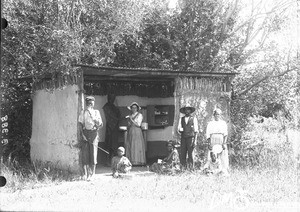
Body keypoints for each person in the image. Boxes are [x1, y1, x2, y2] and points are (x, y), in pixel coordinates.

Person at [78, 96, 103, 181]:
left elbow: (100, 124)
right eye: (88, 102)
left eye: (91, 102)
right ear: (86, 103)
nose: (90, 104)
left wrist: (96, 120)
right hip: (85, 133)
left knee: (93, 153)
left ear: (93, 103)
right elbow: (80, 124)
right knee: (85, 154)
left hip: (94, 133)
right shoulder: (83, 112)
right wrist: (82, 135)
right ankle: (86, 174)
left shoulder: (96, 112)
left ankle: (92, 174)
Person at [206, 108, 229, 176]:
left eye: (218, 114)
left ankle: (223, 171)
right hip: (213, 140)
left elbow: (225, 134)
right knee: (213, 155)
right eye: (216, 114)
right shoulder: (210, 123)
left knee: (222, 156)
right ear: (214, 115)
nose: (217, 116)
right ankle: (212, 171)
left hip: (221, 140)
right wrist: (209, 143)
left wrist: (224, 143)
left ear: (220, 115)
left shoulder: (223, 123)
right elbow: (208, 134)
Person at [177, 104, 199, 170]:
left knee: (190, 154)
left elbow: (196, 131)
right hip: (183, 138)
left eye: (188, 109)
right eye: (186, 109)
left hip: (191, 138)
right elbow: (178, 129)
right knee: (183, 153)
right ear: (184, 111)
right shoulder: (181, 119)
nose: (187, 111)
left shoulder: (194, 119)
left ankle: (191, 168)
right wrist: (180, 130)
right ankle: (183, 168)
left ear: (190, 111)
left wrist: (195, 140)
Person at [103, 93, 121, 165]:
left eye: (113, 98)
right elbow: (110, 117)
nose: (112, 100)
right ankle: (107, 161)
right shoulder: (106, 107)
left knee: (114, 144)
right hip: (109, 128)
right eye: (111, 98)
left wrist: (118, 111)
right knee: (108, 144)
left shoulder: (114, 107)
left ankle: (112, 161)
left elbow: (119, 115)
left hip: (114, 129)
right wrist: (116, 119)